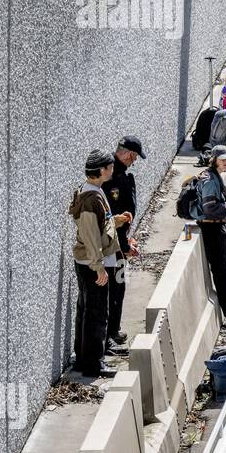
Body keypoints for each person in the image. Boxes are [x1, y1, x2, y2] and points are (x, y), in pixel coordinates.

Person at [70, 150, 129, 378]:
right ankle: (94, 364)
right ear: (102, 170)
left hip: (87, 260)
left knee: (85, 310)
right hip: (92, 263)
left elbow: (99, 226)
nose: (112, 170)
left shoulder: (90, 192)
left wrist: (116, 221)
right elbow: (91, 236)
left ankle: (83, 359)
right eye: (110, 166)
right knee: (97, 313)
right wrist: (99, 267)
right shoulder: (91, 198)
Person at [102, 136, 145, 351]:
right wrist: (124, 245)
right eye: (134, 156)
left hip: (118, 242)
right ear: (127, 153)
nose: (134, 160)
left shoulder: (121, 176)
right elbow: (112, 219)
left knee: (119, 286)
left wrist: (127, 240)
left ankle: (114, 330)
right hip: (110, 245)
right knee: (113, 289)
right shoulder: (111, 177)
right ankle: (108, 336)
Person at [194, 145, 226, 328]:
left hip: (217, 228)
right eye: (222, 159)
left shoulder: (214, 176)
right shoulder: (210, 180)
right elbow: (210, 208)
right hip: (212, 230)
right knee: (223, 273)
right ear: (213, 159)